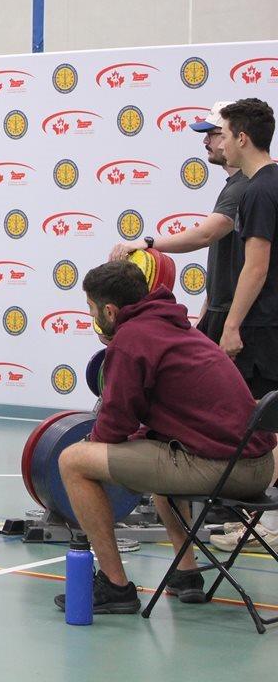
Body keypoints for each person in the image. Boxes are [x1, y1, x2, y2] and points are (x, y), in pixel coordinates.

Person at [53, 261, 275, 614]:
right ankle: (186, 574)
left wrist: (90, 443)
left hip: (226, 471)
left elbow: (114, 426)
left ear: (110, 311)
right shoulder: (174, 326)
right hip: (260, 467)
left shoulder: (131, 339)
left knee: (73, 462)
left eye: (92, 309)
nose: (92, 317)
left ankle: (115, 585)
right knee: (159, 454)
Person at [110, 101, 244, 343]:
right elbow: (228, 260)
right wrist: (204, 317)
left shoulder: (244, 187)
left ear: (237, 136)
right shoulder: (235, 186)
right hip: (221, 313)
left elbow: (204, 235)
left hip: (239, 320)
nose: (206, 142)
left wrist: (148, 242)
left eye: (213, 134)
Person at [218, 98, 278, 397]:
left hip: (263, 333)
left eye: (224, 136)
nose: (221, 145)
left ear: (242, 138)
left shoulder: (258, 191)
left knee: (260, 420)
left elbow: (256, 268)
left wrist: (231, 326)